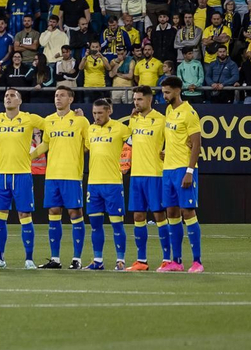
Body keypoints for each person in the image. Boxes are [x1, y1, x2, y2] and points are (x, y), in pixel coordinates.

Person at [0, 87, 45, 268]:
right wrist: (0, 144)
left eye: (12, 96)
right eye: (6, 96)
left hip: (22, 175)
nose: (8, 98)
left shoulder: (29, 118)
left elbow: (52, 127)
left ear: (19, 101)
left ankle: (29, 259)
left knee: (24, 215)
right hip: (1, 175)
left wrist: (34, 154)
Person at [38, 85, 90, 268]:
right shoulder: (48, 121)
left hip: (72, 175)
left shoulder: (81, 121)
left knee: (75, 213)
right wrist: (27, 156)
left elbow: (88, 145)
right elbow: (45, 144)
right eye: (56, 95)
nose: (58, 98)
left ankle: (77, 259)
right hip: (52, 175)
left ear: (70, 99)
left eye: (62, 95)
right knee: (53, 212)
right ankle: (55, 259)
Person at [159, 75, 205, 272]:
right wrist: (166, 152)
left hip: (183, 169)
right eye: (163, 92)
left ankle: (197, 262)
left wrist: (189, 170)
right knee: (171, 212)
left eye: (167, 92)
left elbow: (196, 143)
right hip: (168, 169)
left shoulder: (189, 113)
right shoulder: (169, 110)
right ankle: (176, 261)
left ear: (178, 90)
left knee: (188, 212)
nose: (164, 96)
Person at [84, 98, 132, 271]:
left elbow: (134, 144)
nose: (97, 117)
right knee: (95, 224)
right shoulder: (91, 129)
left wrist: (127, 163)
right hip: (93, 184)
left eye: (100, 113)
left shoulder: (121, 128)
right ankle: (98, 260)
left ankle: (121, 260)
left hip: (113, 183)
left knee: (117, 223)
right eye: (94, 113)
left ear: (109, 111)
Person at [125, 84, 168, 270]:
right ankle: (141, 260)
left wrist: (167, 149)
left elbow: (174, 139)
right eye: (134, 99)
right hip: (137, 175)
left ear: (150, 99)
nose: (136, 102)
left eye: (140, 99)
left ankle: (167, 259)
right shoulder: (133, 120)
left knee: (159, 215)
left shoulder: (161, 119)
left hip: (155, 174)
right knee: (138, 215)